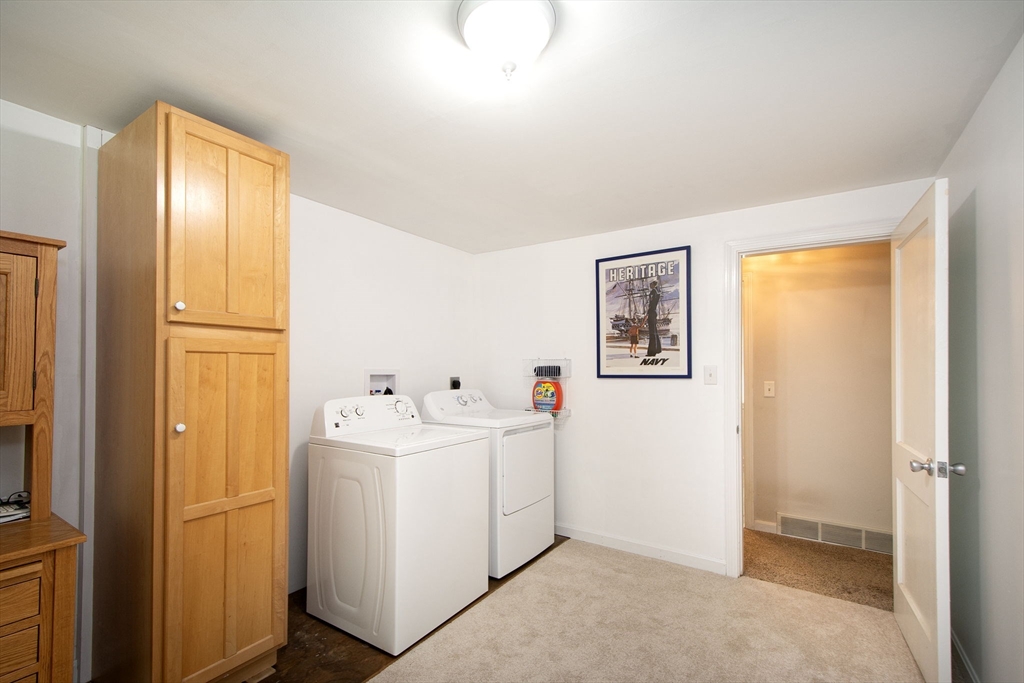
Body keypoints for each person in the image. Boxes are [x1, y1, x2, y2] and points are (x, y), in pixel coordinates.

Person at [645, 280, 662, 357]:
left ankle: (652, 351)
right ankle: (657, 349)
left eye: (651, 284)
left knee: (652, 332)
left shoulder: (653, 292)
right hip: (654, 312)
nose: (650, 285)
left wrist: (648, 312)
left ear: (653, 285)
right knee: (654, 331)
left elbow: (651, 304)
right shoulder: (657, 291)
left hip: (652, 312)